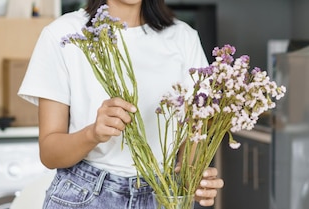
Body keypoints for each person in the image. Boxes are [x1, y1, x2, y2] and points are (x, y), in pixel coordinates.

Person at [18, 0, 224, 208]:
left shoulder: (183, 37)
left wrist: (192, 179)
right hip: (85, 196)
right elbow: (50, 153)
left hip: (162, 195)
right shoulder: (62, 33)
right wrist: (93, 134)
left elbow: (194, 132)